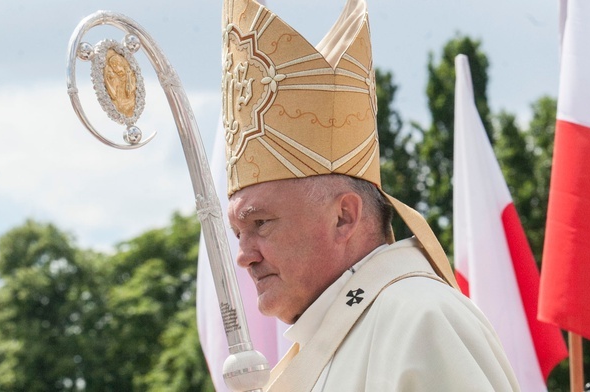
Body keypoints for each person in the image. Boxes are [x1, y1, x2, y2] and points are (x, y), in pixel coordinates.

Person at [222, 0, 520, 390]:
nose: (244, 256)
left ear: (343, 216)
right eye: (238, 233)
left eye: (260, 223)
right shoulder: (328, 340)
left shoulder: (422, 320)